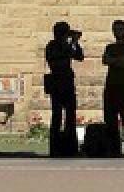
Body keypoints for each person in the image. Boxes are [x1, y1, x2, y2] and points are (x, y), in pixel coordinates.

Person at [45, 21, 84, 157]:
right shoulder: (52, 45)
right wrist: (68, 44)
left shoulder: (66, 45)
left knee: (70, 116)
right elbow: (56, 60)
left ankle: (70, 147)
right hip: (57, 83)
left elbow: (79, 56)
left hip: (67, 83)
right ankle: (55, 148)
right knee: (57, 116)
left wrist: (75, 43)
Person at [102, 19, 124, 158]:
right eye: (115, 29)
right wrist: (117, 60)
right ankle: (113, 149)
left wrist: (113, 60)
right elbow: (105, 60)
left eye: (120, 29)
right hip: (110, 86)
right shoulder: (109, 47)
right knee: (110, 120)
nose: (118, 32)